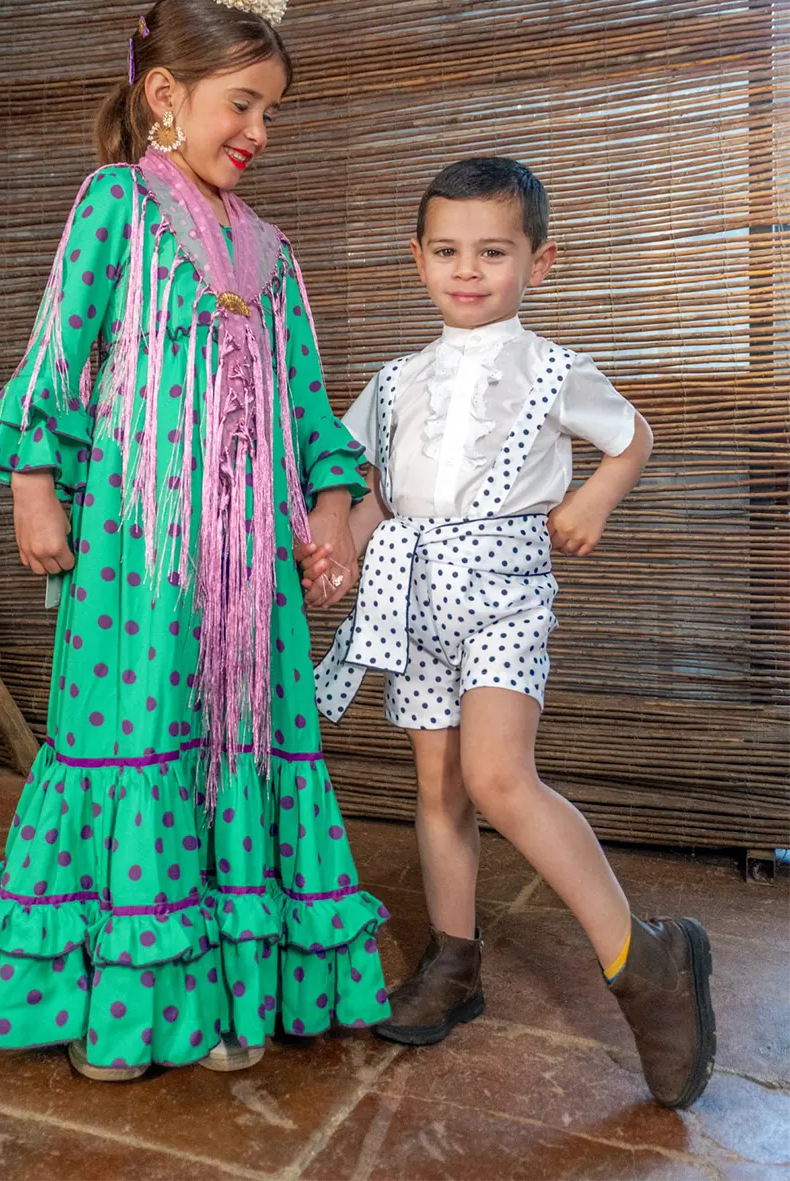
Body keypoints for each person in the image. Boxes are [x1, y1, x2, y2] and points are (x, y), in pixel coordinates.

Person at [0, 0, 389, 1081]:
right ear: (164, 96)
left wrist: (331, 510)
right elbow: (59, 349)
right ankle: (127, 1000)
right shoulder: (117, 205)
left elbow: (307, 410)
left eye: (270, 112)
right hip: (138, 557)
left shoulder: (272, 257)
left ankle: (228, 989)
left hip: (251, 570)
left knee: (236, 743)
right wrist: (33, 480)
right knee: (136, 737)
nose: (258, 131)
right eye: (242, 104)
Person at [304, 157, 715, 1111]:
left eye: (493, 252)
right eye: (447, 250)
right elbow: (374, 494)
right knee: (439, 786)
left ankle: (644, 960)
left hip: (502, 595)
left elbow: (634, 436)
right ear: (417, 259)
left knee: (497, 776)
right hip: (413, 598)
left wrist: (595, 497)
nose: (468, 270)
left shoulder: (555, 368)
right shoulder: (395, 380)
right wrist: (341, 557)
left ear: (540, 260)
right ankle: (453, 961)